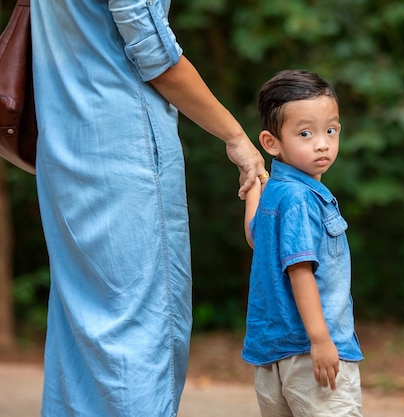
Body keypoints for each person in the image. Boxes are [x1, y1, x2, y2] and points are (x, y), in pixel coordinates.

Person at [30, 1, 267, 416]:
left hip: (64, 147)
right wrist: (235, 137)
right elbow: (155, 54)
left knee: (79, 332)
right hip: (124, 150)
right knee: (140, 331)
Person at [242, 69, 364, 416]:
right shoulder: (301, 198)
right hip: (312, 353)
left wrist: (254, 184)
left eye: (331, 130)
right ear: (271, 142)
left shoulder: (276, 192)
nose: (322, 142)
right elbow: (300, 271)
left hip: (272, 354)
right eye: (305, 133)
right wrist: (321, 340)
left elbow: (255, 235)